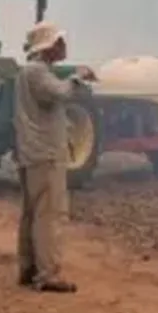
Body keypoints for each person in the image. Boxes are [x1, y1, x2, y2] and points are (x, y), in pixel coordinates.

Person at [14, 21, 94, 292]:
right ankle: (47, 274)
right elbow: (61, 92)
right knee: (49, 214)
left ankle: (28, 268)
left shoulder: (29, 73)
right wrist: (78, 77)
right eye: (59, 42)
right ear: (48, 46)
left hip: (31, 152)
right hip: (46, 153)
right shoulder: (37, 73)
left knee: (32, 213)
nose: (64, 47)